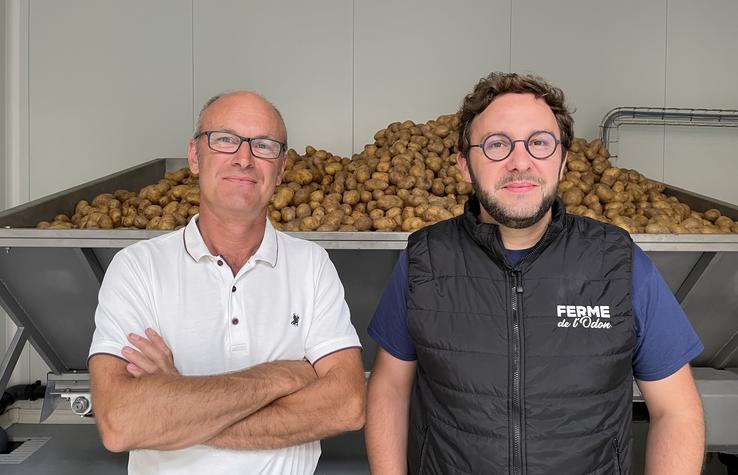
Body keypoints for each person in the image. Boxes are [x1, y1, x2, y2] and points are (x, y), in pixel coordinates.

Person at [365, 73, 705, 474]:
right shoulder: (425, 259)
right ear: (463, 165)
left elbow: (677, 410)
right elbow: (389, 389)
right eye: (497, 145)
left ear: (562, 162)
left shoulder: (618, 261)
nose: (520, 161)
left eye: (539, 143)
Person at [88, 91, 366, 475]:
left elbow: (347, 406)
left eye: (264, 146)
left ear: (282, 168)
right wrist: (283, 375)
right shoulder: (137, 269)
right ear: (194, 156)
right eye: (225, 139)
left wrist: (176, 403)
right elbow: (121, 423)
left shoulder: (312, 266)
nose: (244, 158)